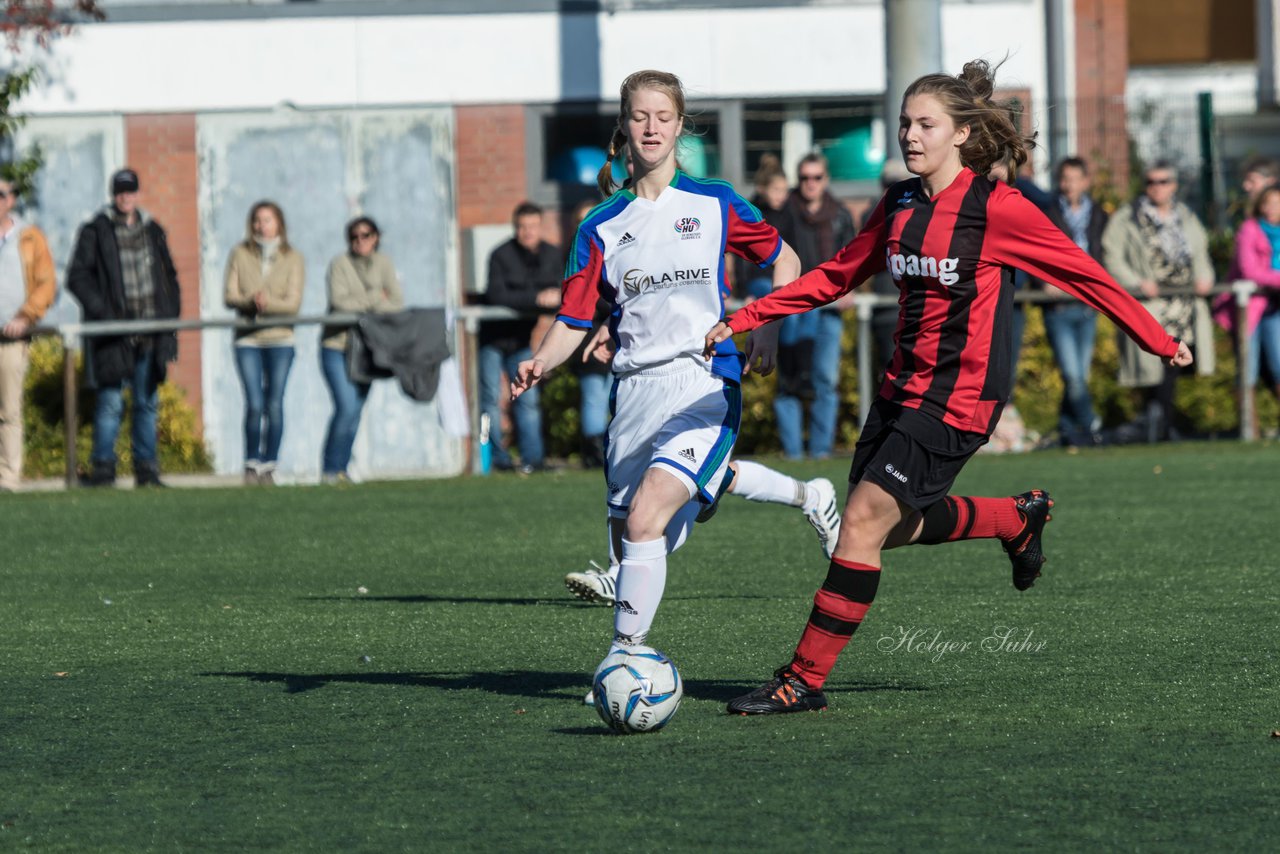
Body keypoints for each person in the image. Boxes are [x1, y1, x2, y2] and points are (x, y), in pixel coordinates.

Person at [703, 59, 1191, 715]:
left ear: (961, 133)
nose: (910, 135)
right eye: (904, 122)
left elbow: (1087, 276)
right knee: (881, 533)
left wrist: (1156, 338)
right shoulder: (900, 202)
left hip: (960, 398)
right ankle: (1014, 518)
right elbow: (838, 275)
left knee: (860, 525)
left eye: (924, 124)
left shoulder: (999, 209)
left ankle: (803, 679)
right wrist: (753, 313)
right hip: (901, 390)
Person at [511, 69, 809, 688]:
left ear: (680, 127)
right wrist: (541, 359)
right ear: (624, 126)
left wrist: (767, 328)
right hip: (635, 393)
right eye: (640, 117)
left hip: (703, 378)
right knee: (630, 540)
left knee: (648, 517)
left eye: (663, 117)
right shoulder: (600, 226)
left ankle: (627, 653)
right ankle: (766, 496)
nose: (651, 128)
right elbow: (573, 317)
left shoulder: (715, 202)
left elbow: (786, 260)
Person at [69, 168, 182, 488]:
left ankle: (147, 471)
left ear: (137, 193)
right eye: (120, 192)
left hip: (150, 332)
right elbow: (77, 277)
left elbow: (170, 277)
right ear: (113, 194)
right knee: (111, 402)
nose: (125, 197)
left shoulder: (153, 229)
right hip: (113, 335)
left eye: (130, 191)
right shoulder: (96, 230)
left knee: (146, 401)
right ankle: (104, 470)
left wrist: (169, 315)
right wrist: (105, 314)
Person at [1102, 161, 1214, 442]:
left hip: (1184, 303)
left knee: (1175, 363)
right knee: (1157, 360)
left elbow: (1201, 253)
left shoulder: (1186, 216)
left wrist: (1205, 277)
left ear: (1173, 185)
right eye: (1151, 181)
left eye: (1163, 181)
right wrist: (1136, 283)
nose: (1157, 187)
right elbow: (1112, 256)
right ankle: (1158, 424)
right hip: (1150, 303)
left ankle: (1162, 423)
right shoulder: (1128, 217)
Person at [773, 152, 856, 460]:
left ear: (826, 179)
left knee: (824, 379)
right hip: (793, 307)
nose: (810, 184)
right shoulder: (784, 213)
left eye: (817, 177)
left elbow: (854, 258)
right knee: (788, 380)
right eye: (805, 178)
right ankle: (793, 454)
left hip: (829, 308)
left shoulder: (841, 214)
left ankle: (821, 452)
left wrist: (850, 289)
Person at [224, 201, 304, 485]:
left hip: (281, 339)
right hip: (248, 339)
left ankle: (269, 465)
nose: (262, 225)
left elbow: (293, 303)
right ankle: (250, 464)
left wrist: (267, 304)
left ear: (278, 223)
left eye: (267, 220)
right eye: (257, 220)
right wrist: (249, 301)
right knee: (255, 403)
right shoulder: (240, 253)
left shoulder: (293, 257)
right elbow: (230, 295)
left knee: (274, 403)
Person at [320, 216, 405, 483]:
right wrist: (374, 298)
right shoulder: (339, 264)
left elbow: (396, 302)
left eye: (366, 235)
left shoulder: (384, 263)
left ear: (376, 237)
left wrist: (363, 303)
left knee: (356, 411)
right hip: (337, 345)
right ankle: (330, 470)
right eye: (355, 237)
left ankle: (342, 469)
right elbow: (339, 303)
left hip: (369, 348)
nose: (361, 241)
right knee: (345, 407)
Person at [480, 201, 560, 475]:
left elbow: (563, 288)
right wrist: (536, 299)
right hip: (491, 339)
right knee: (489, 400)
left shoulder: (551, 254)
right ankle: (493, 460)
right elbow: (496, 295)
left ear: (540, 227)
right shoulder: (500, 254)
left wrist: (554, 295)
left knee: (528, 400)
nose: (528, 232)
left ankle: (532, 460)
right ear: (516, 228)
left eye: (533, 226)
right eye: (523, 227)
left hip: (521, 340)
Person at [1040, 156, 1109, 446]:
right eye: (1064, 179)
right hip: (1059, 307)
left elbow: (1105, 255)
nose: (1069, 185)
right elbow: (1037, 253)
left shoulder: (1100, 215)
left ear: (1085, 181)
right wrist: (1044, 281)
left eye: (1074, 178)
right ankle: (1093, 425)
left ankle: (1068, 430)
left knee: (1080, 375)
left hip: (1087, 305)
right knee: (1073, 374)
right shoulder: (1048, 212)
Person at [0, 174, 56, 492]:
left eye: (0, 194)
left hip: (12, 339)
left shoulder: (29, 237)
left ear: (12, 199)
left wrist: (25, 315)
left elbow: (46, 284)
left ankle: (8, 478)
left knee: (9, 410)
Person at [1223, 186, 1280, 412]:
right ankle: (1248, 428)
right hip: (1251, 307)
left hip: (1275, 307)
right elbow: (1250, 271)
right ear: (1260, 206)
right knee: (1249, 368)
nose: (1273, 208)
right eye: (1269, 203)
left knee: (1278, 366)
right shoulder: (1250, 229)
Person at [566, 198, 612, 469]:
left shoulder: (611, 250)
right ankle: (593, 454)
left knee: (608, 397)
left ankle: (605, 450)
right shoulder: (576, 255)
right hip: (587, 334)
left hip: (613, 333)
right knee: (595, 396)